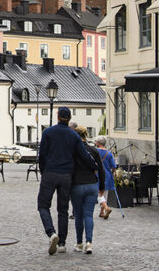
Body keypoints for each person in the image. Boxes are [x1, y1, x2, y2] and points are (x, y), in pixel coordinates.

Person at [37, 106, 97, 255]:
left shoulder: (48, 132)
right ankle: (62, 243)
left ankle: (51, 233)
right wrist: (94, 166)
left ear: (57, 117)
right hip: (66, 176)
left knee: (43, 205)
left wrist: (43, 171)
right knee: (63, 210)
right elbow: (83, 155)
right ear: (69, 118)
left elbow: (42, 155)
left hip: (50, 173)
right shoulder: (74, 135)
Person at [71, 126, 104, 253]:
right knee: (89, 215)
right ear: (86, 136)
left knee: (79, 215)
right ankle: (89, 243)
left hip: (77, 185)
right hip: (91, 185)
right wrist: (101, 188)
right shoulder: (93, 151)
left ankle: (79, 243)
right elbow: (100, 170)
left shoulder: (73, 151)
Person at [94, 136, 116, 219]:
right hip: (107, 175)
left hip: (97, 175)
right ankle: (102, 212)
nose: (95, 143)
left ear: (99, 143)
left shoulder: (95, 151)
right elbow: (113, 166)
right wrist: (112, 173)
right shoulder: (109, 153)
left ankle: (106, 208)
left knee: (99, 194)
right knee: (104, 194)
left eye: (96, 142)